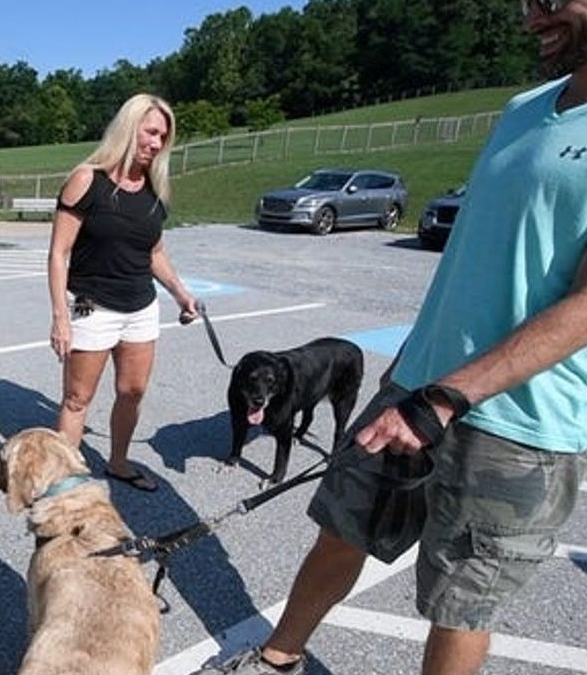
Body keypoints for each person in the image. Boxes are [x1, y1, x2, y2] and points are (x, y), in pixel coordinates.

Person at [196, 1, 587, 674]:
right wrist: (411, 371)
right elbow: (476, 255)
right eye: (528, 2)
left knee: (459, 601)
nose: (533, 18)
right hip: (415, 387)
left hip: (517, 422)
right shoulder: (527, 105)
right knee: (341, 531)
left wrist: (448, 396)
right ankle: (276, 657)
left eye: (554, 1)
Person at [47, 93, 199, 493]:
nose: (156, 142)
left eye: (163, 136)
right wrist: (61, 316)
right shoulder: (87, 180)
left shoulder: (153, 189)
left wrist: (181, 293)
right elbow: (59, 252)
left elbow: (153, 252)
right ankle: (64, 484)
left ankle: (117, 462)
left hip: (141, 308)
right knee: (77, 399)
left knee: (132, 391)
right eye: (150, 131)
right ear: (129, 127)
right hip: (90, 304)